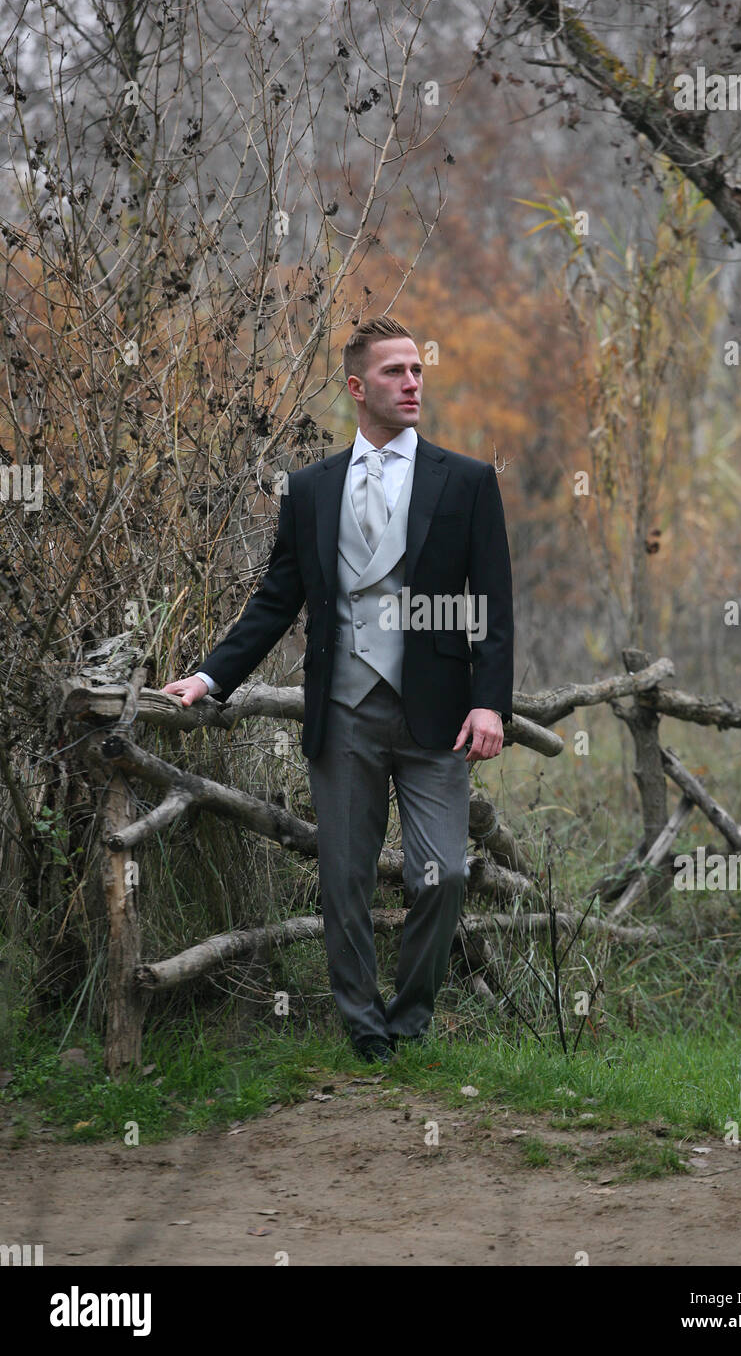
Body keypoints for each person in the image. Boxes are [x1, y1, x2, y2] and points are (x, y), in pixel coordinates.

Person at [163, 316, 514, 1062]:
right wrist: (210, 674)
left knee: (444, 874)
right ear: (358, 387)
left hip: (437, 716)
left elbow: (493, 605)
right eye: (395, 372)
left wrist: (490, 701)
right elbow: (275, 599)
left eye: (418, 370)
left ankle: (411, 1014)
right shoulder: (311, 489)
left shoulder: (470, 481)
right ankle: (363, 1025)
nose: (413, 382)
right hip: (344, 709)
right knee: (346, 878)